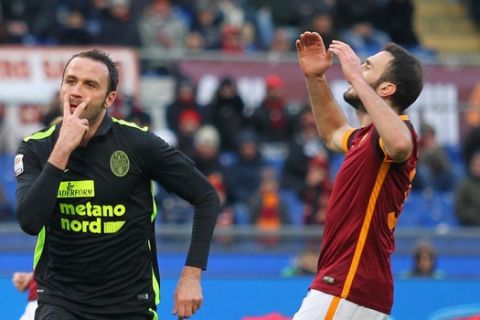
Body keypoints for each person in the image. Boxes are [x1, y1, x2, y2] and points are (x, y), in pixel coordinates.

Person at [15, 49, 220, 320]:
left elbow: (206, 196)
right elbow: (29, 222)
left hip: (129, 303)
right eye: (71, 81)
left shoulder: (139, 144)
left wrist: (192, 275)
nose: (76, 91)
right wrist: (62, 150)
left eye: (90, 85)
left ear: (110, 98)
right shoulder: (36, 148)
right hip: (61, 300)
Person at [293, 32, 423, 319]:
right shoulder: (367, 137)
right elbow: (333, 132)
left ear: (386, 88)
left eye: (367, 67)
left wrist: (356, 78)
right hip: (354, 288)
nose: (355, 69)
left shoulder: (397, 133)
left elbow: (401, 145)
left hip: (348, 283)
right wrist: (315, 79)